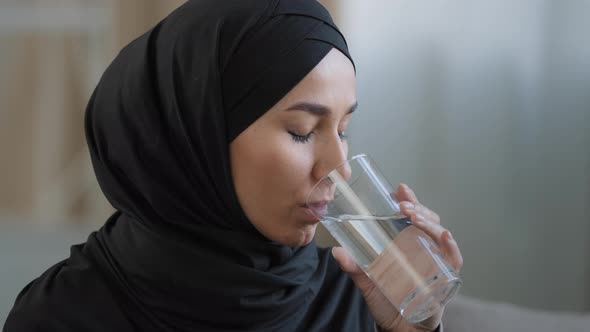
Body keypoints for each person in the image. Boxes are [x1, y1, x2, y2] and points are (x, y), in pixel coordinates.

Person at [3, 1, 462, 331]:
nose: (339, 169)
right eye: (303, 130)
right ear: (193, 136)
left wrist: (412, 330)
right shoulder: (63, 315)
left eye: (343, 130)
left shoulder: (352, 295)